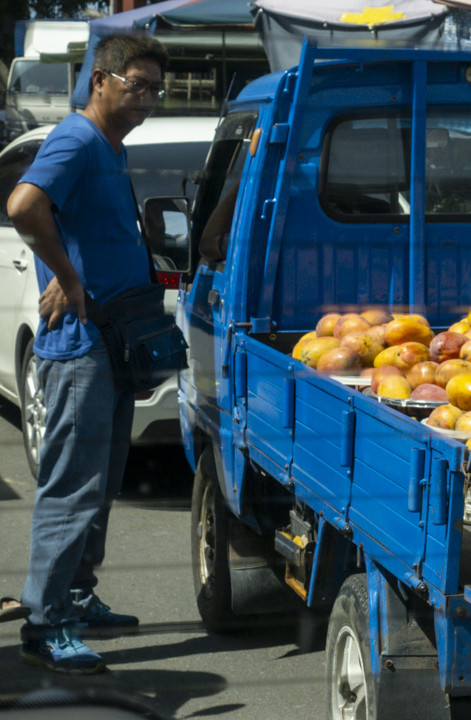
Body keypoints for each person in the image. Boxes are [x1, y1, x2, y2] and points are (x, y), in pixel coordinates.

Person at [6, 33, 169, 675]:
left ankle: (76, 593)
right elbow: (24, 204)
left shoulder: (109, 148)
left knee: (101, 479)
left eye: (156, 88)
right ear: (100, 80)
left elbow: (75, 224)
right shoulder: (75, 139)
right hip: (80, 344)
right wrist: (69, 279)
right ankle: (46, 624)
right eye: (138, 85)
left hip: (114, 337)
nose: (149, 98)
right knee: (72, 485)